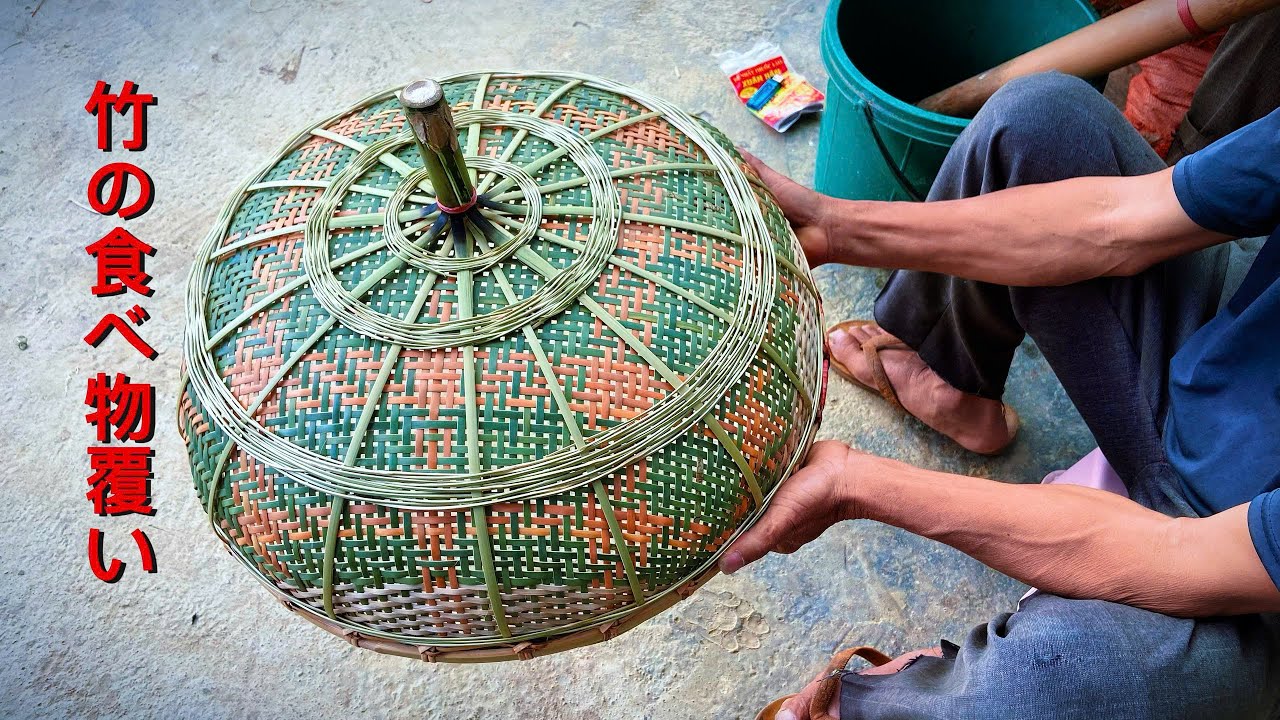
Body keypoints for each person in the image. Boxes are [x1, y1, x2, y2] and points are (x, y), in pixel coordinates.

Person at [725, 36, 1280, 720]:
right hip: (1227, 378)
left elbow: (1180, 554)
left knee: (1050, 685)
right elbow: (1121, 220)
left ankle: (886, 706)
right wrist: (837, 226)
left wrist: (856, 484)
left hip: (1237, 570)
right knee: (1041, 120)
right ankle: (947, 374)